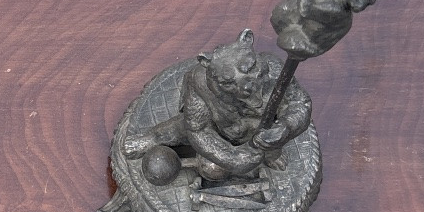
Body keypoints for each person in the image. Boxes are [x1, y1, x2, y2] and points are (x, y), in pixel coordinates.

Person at [122, 30, 311, 183]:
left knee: (273, 143)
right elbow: (199, 129)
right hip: (219, 126)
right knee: (181, 127)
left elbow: (299, 104)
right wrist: (232, 158)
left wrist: (286, 127)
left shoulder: (276, 71)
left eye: (250, 69)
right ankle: (150, 138)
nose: (246, 85)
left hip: (263, 130)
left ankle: (271, 154)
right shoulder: (201, 82)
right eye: (229, 82)